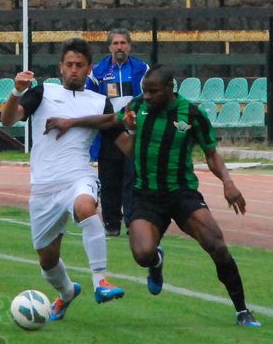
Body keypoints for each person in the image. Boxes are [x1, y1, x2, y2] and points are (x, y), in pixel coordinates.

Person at [45, 65, 261, 327]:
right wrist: (70, 122)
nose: (146, 96)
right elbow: (108, 121)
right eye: (145, 91)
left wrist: (228, 182)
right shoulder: (137, 106)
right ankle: (156, 262)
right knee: (142, 254)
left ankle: (242, 310)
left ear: (170, 88)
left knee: (217, 245)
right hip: (146, 195)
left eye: (153, 92)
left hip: (182, 194)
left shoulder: (191, 113)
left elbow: (211, 153)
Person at [0, 38, 128, 321]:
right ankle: (67, 292)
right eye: (69, 64)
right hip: (44, 187)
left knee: (86, 208)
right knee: (47, 259)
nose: (74, 70)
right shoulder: (44, 92)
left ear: (89, 69)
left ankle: (101, 280)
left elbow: (123, 143)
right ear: (60, 67)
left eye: (79, 66)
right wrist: (16, 92)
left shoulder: (99, 102)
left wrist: (140, 132)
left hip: (78, 177)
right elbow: (9, 119)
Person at [87, 28, 148, 237]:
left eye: (123, 43)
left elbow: (147, 96)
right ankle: (111, 224)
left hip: (132, 129)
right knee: (109, 178)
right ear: (109, 47)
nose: (120, 47)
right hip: (108, 131)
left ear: (129, 45)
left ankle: (133, 222)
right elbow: (90, 98)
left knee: (132, 177)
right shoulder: (98, 71)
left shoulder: (141, 68)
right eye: (116, 43)